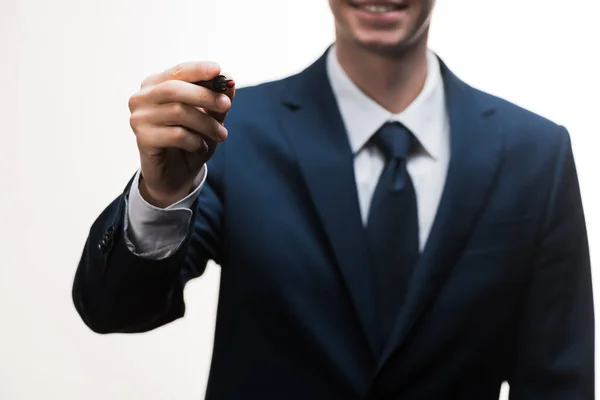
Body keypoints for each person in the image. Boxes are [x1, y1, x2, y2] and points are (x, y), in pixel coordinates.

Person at [72, 0, 594, 398]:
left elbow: (558, 382)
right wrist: (161, 192)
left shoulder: (535, 155)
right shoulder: (234, 133)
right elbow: (116, 310)